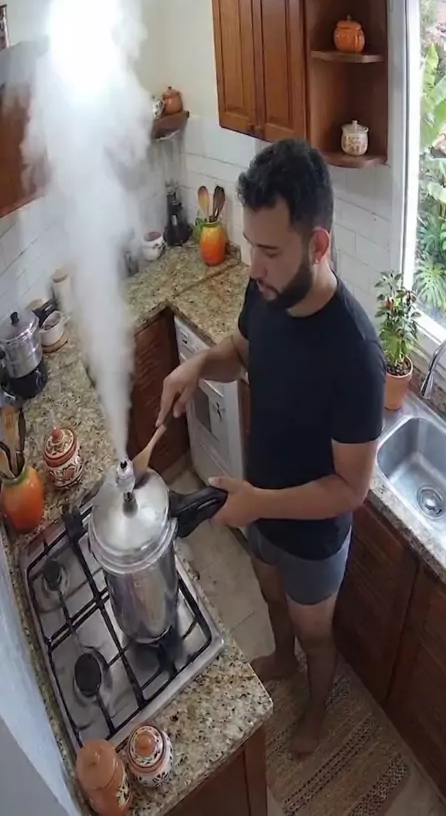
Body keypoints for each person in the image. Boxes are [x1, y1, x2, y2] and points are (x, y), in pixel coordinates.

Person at [157, 139, 386, 756]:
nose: (253, 265)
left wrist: (258, 502)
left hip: (311, 534)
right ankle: (282, 660)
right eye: (250, 245)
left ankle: (317, 708)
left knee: (316, 633)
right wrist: (197, 365)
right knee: (269, 596)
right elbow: (241, 352)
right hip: (255, 498)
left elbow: (351, 489)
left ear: (318, 246)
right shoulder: (266, 292)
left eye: (270, 251)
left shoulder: (356, 356)